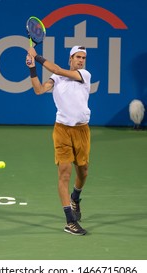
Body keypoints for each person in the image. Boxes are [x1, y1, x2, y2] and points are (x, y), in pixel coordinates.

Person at [26, 45, 91, 236]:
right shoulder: (56, 78)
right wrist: (32, 68)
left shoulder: (84, 75)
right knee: (64, 174)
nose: (80, 60)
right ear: (70, 58)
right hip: (62, 130)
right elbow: (38, 90)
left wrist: (35, 55)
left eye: (83, 58)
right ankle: (70, 221)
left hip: (82, 130)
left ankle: (75, 197)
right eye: (77, 57)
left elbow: (55, 68)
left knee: (83, 171)